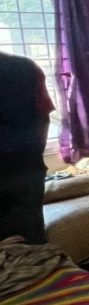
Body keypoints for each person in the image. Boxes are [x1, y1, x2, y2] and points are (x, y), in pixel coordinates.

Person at [0, 52, 54, 243]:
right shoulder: (27, 67)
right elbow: (43, 119)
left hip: (25, 172)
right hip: (26, 170)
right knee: (28, 244)